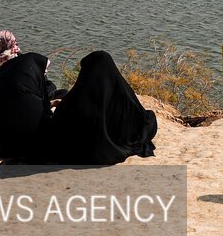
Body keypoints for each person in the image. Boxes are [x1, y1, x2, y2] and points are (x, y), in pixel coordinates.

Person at [30, 50, 158, 165]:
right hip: (107, 151)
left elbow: (58, 124)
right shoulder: (124, 98)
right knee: (149, 118)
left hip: (77, 152)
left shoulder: (72, 102)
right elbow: (141, 119)